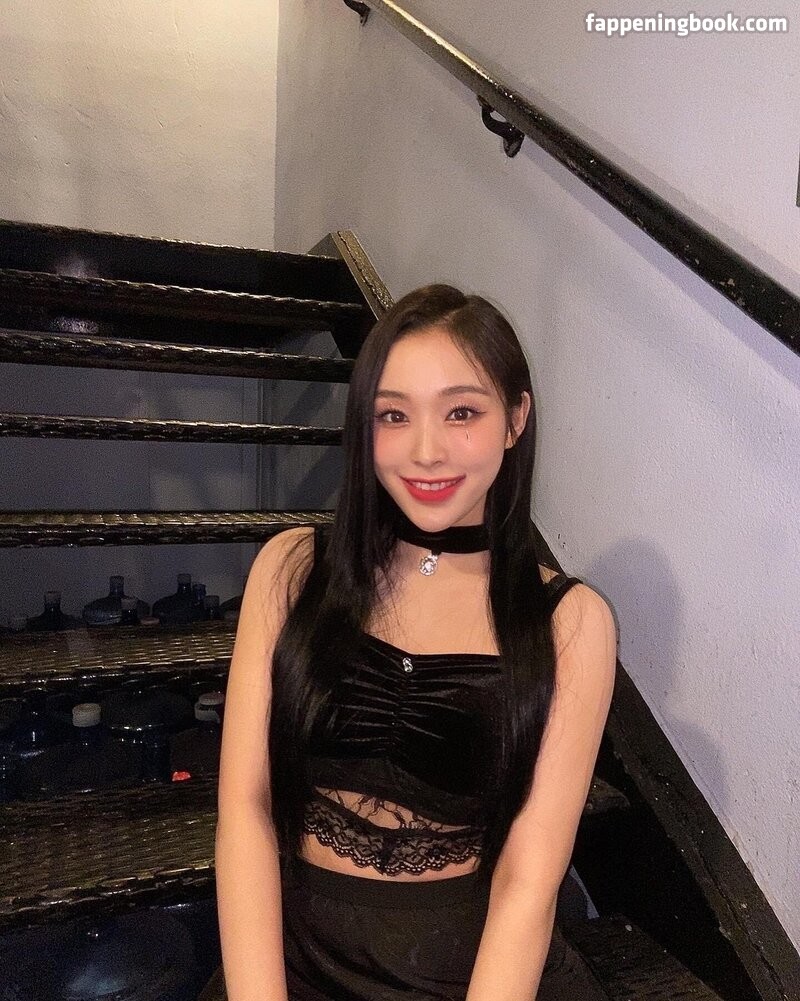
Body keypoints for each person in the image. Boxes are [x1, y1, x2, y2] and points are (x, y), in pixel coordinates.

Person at [212, 284, 617, 1001]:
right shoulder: (291, 569)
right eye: (393, 415)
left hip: (465, 973)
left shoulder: (569, 622)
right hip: (292, 959)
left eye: (461, 412)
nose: (426, 451)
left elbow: (527, 881)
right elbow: (245, 807)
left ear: (515, 419)